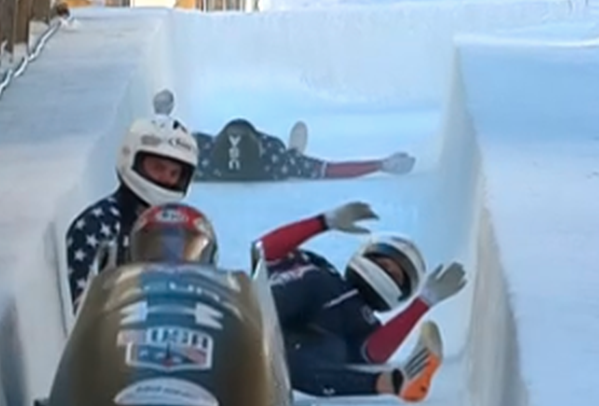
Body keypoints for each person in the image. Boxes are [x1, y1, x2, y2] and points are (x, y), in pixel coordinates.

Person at [256, 200, 467, 403]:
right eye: (385, 265)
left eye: (395, 276)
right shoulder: (317, 267)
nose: (388, 273)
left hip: (275, 354)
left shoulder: (365, 323)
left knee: (327, 352)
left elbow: (373, 352)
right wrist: (323, 222)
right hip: (249, 310)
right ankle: (251, 322)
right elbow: (262, 251)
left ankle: (398, 382)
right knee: (315, 282)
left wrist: (424, 302)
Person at [65, 114, 200, 309]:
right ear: (132, 158)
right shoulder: (97, 225)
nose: (166, 179)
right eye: (158, 168)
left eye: (174, 173)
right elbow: (83, 314)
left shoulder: (187, 229)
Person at [193, 118, 416, 182]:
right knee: (294, 162)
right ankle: (296, 154)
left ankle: (296, 155)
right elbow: (330, 170)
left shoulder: (198, 158)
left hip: (212, 156)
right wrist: (380, 165)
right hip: (277, 158)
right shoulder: (275, 162)